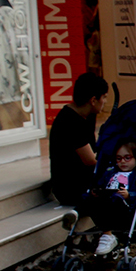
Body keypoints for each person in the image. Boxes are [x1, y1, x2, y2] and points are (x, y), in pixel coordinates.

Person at [50, 71, 108, 207]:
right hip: (71, 188)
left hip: (85, 179)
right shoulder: (70, 121)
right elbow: (90, 160)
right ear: (93, 100)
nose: (105, 102)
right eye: (104, 97)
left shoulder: (88, 114)